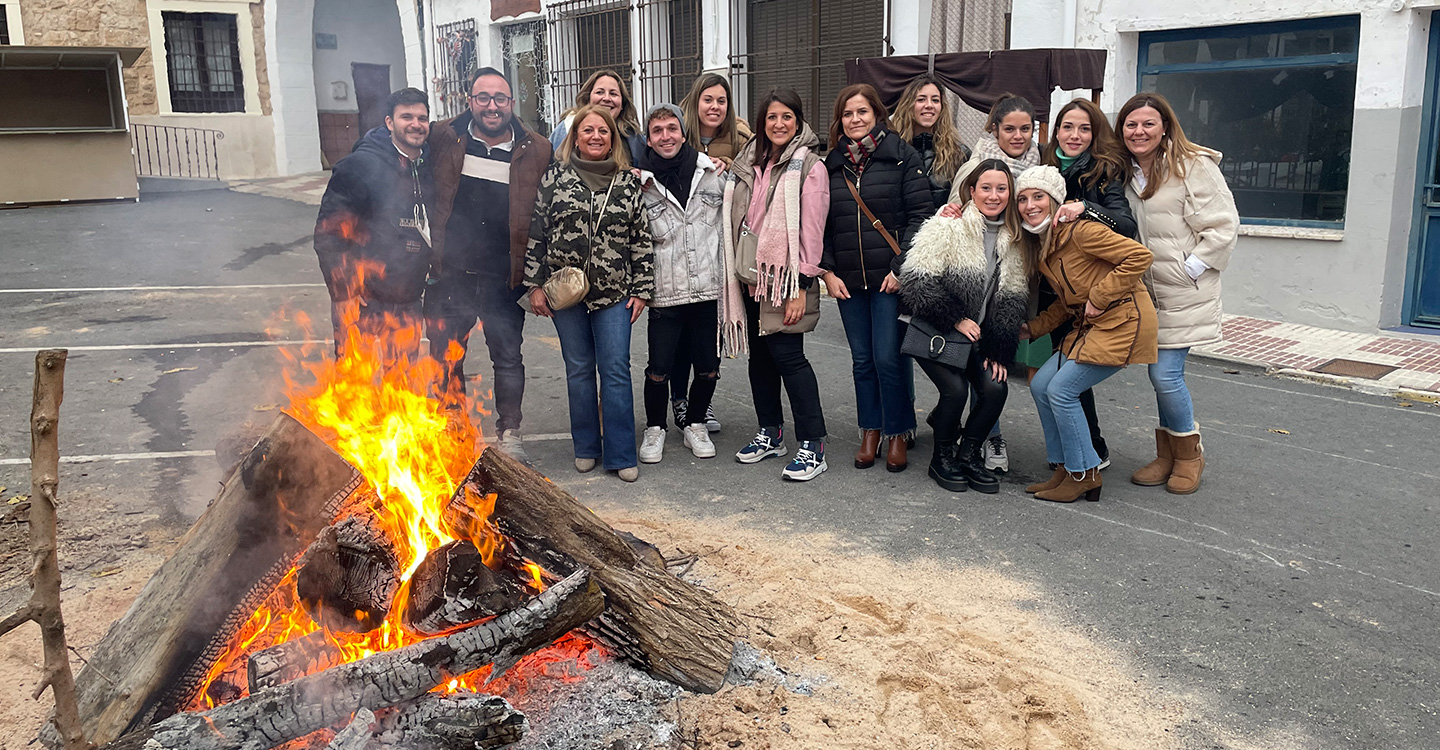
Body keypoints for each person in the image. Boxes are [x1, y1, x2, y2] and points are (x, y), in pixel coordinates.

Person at [425, 67, 552, 460]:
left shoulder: (537, 148)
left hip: (504, 277)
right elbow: (396, 136)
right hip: (451, 274)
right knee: (445, 354)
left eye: (500, 98)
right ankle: (452, 426)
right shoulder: (444, 138)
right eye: (483, 97)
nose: (492, 106)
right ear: (470, 101)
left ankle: (509, 433)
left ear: (512, 104)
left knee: (508, 358)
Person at [1116, 93, 1239, 495]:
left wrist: (1193, 266)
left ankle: (1189, 454)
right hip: (1148, 294)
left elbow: (1224, 225)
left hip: (1185, 291)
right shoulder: (1125, 172)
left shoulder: (1191, 166)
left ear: (1165, 126)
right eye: (1131, 125)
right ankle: (1168, 454)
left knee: (1164, 374)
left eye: (1148, 124)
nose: (1139, 132)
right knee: (1160, 376)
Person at [525, 104, 653, 482]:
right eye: (588, 130)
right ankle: (586, 446)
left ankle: (620, 453)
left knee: (614, 370)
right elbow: (537, 232)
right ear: (575, 137)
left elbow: (641, 239)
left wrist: (643, 289)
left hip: (614, 293)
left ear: (613, 138)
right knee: (579, 369)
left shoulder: (628, 182)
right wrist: (534, 285)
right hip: (566, 294)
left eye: (603, 131)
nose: (596, 136)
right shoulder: (555, 179)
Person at [1016, 166, 1157, 503]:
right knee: (1040, 385)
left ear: (1054, 201)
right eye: (1022, 198)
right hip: (1092, 326)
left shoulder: (1080, 232)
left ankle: (1084, 474)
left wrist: (1100, 295)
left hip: (1124, 321)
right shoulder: (1047, 246)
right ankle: (1065, 468)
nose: (1029, 205)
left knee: (1062, 390)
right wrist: (1031, 329)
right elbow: (1068, 303)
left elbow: (1139, 255)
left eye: (1038, 197)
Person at [719, 88, 831, 481]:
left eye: (787, 117)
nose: (779, 124)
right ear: (762, 123)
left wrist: (801, 283)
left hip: (785, 280)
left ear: (798, 121)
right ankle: (771, 432)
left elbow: (812, 231)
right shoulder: (749, 162)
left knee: (790, 360)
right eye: (772, 118)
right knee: (760, 360)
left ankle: (813, 445)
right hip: (748, 277)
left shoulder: (809, 167)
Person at [820, 83, 932, 472]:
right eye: (848, 114)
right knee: (862, 360)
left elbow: (921, 216)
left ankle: (897, 431)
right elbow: (822, 225)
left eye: (862, 113)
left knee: (888, 358)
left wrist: (900, 269)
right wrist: (828, 272)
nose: (855, 120)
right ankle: (870, 429)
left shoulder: (902, 156)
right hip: (848, 280)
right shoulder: (832, 165)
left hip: (889, 279)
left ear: (876, 116)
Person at [898, 160, 1028, 493]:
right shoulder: (948, 225)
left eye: (1002, 188)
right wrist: (955, 318)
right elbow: (914, 282)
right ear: (972, 190)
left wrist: (999, 349)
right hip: (936, 327)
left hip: (977, 335)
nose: (994, 195)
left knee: (995, 388)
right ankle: (941, 458)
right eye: (986, 187)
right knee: (955, 391)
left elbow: (1011, 298)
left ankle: (967, 454)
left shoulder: (1015, 238)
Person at [1034, 97, 1139, 470]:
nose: (1074, 135)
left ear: (1094, 134)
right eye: (1067, 127)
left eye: (1084, 128)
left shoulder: (1103, 171)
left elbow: (1127, 228)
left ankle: (1092, 449)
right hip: (1054, 288)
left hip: (1089, 289)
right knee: (1057, 372)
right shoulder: (1042, 167)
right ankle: (1069, 452)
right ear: (1055, 131)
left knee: (1073, 374)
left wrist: (1086, 208)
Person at [942, 93, 1042, 475]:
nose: (1018, 136)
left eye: (1025, 129)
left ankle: (978, 429)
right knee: (981, 357)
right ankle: (988, 437)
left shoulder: (1040, 167)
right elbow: (955, 211)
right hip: (976, 279)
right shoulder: (973, 168)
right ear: (994, 129)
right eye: (1010, 128)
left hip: (1018, 274)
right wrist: (950, 212)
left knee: (999, 356)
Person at [633, 103, 725, 464]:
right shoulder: (641, 184)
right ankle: (655, 428)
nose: (666, 136)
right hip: (665, 292)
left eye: (672, 128)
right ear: (649, 139)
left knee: (708, 366)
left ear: (683, 133)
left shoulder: (710, 173)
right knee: (659, 368)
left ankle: (696, 424)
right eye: (657, 131)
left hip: (706, 287)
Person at [314, 87, 433, 362]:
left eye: (422, 118)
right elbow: (329, 235)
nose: (415, 124)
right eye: (406, 117)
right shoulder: (358, 166)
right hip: (363, 300)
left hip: (407, 298)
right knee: (356, 384)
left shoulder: (430, 167)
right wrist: (344, 292)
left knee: (402, 386)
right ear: (389, 123)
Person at [667, 72, 754, 433]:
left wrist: (730, 167)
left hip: (722, 248)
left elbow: (753, 179)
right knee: (680, 334)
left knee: (709, 329)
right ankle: (679, 400)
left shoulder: (741, 139)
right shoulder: (675, 135)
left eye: (721, 100)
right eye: (708, 100)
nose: (714, 107)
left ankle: (703, 402)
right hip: (678, 247)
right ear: (695, 101)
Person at [890, 74, 971, 210]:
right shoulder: (891, 149)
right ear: (908, 105)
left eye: (935, 100)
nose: (929, 105)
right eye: (921, 99)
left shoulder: (959, 154)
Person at [549, 70, 642, 159]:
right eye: (599, 92)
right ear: (587, 99)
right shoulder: (566, 128)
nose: (606, 98)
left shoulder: (633, 136)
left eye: (613, 94)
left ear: (622, 104)